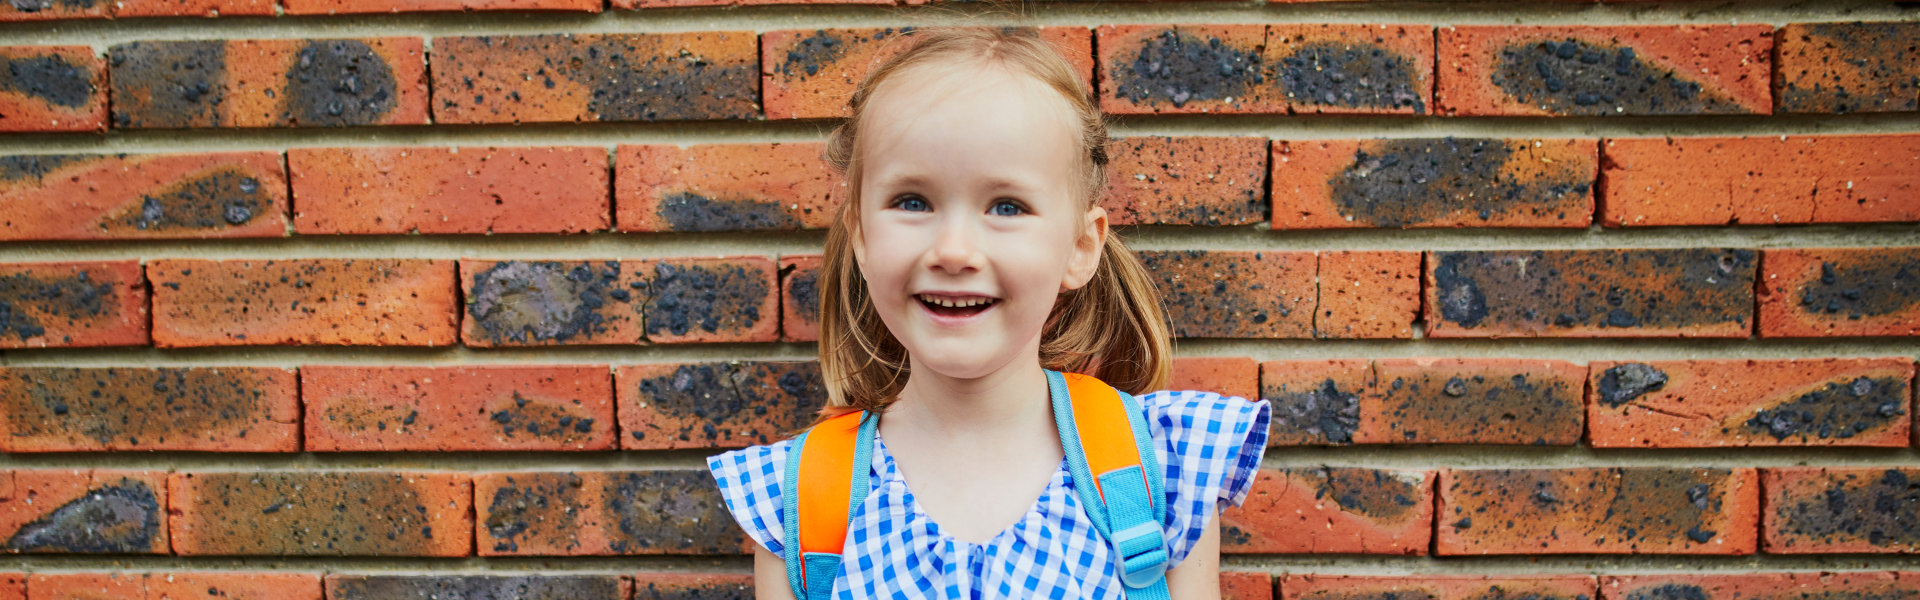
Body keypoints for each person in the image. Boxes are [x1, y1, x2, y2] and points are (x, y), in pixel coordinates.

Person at [706, 26, 1271, 599]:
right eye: (912, 202)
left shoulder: (1163, 473)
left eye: (1007, 206)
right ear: (860, 236)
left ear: (1080, 248)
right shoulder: (796, 503)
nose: (953, 251)